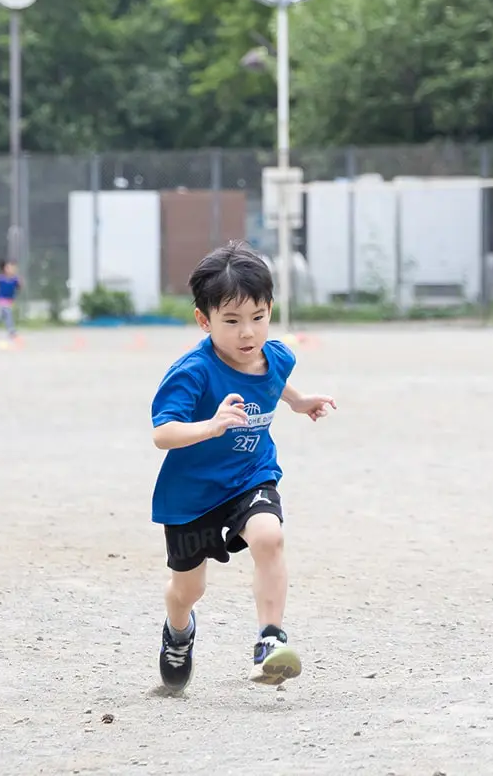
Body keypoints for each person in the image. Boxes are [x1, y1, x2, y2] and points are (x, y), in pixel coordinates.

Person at [149, 240, 335, 692]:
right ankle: (178, 631)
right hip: (191, 494)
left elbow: (276, 381)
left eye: (257, 317)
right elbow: (163, 433)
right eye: (231, 321)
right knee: (188, 590)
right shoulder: (192, 371)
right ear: (203, 319)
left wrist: (298, 401)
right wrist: (210, 426)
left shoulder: (276, 355)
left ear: (270, 309)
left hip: (250, 475)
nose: (247, 333)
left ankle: (269, 641)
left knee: (269, 536)